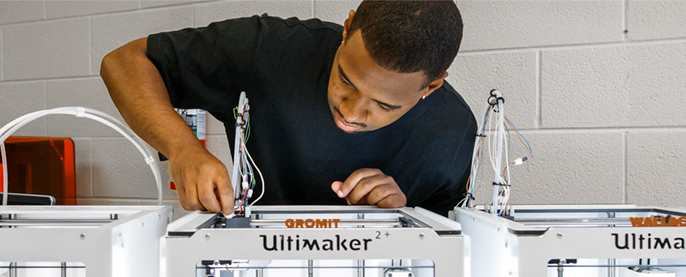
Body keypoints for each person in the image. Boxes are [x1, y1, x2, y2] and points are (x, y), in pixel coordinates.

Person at [100, 0, 475, 215]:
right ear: (347, 30)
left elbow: (444, 261)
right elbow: (124, 63)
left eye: (383, 105)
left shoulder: (451, 134)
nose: (352, 112)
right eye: (346, 79)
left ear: (433, 84)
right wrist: (181, 149)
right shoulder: (269, 50)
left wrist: (402, 215)